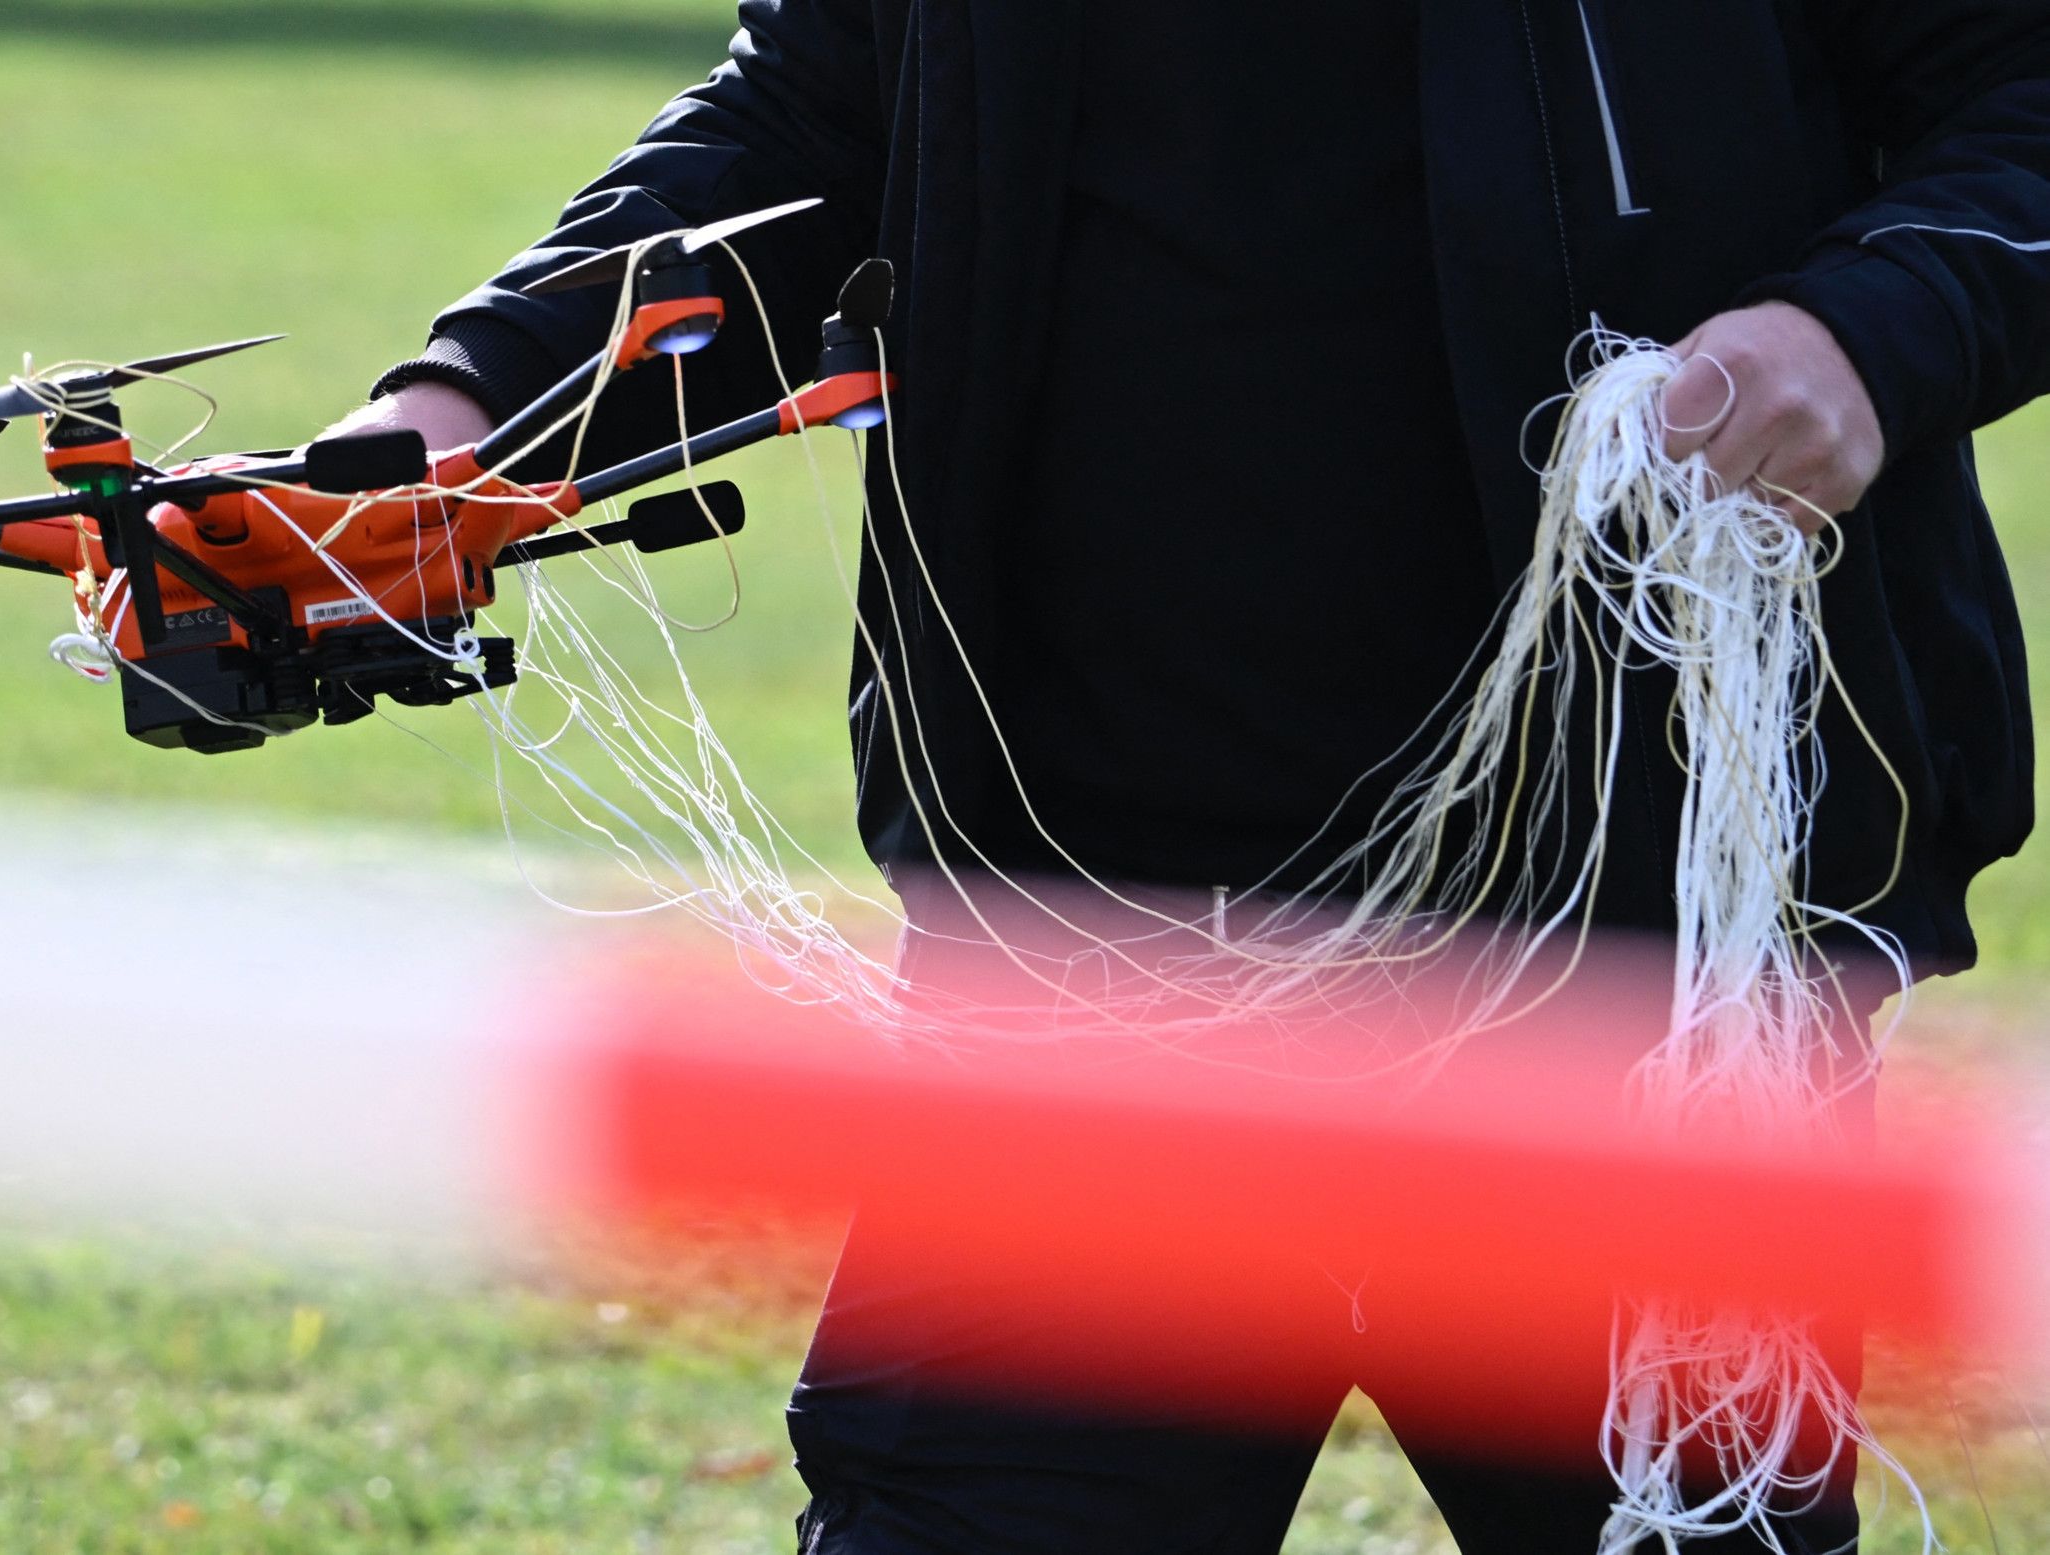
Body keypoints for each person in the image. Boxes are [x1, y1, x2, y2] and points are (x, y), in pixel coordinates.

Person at [338, 3, 2050, 1549]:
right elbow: (819, 117)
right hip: (1080, 962)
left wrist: (1869, 331)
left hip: (1633, 971)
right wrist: (465, 407)